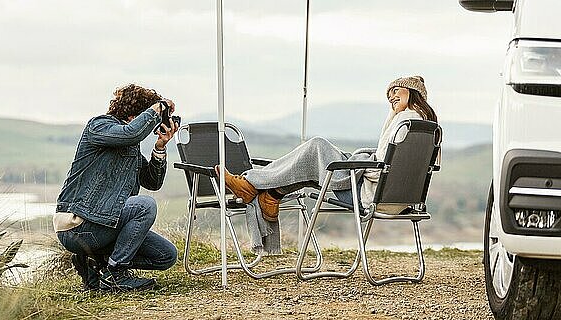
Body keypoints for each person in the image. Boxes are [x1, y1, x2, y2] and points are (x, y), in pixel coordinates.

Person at [219, 76, 437, 222]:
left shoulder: (404, 123)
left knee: (317, 146)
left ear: (412, 92)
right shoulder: (426, 128)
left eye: (396, 91)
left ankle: (250, 184)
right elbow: (393, 166)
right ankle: (271, 195)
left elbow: (379, 170)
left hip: (369, 197)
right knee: (315, 165)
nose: (391, 97)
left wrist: (358, 163)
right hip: (400, 201)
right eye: (389, 94)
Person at [54, 84, 179, 291]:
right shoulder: (99, 126)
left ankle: (96, 263)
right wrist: (159, 108)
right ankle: (115, 273)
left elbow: (152, 183)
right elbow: (131, 133)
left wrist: (160, 147)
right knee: (144, 205)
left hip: (105, 224)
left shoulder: (130, 147)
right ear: (135, 114)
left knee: (166, 255)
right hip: (79, 226)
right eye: (148, 115)